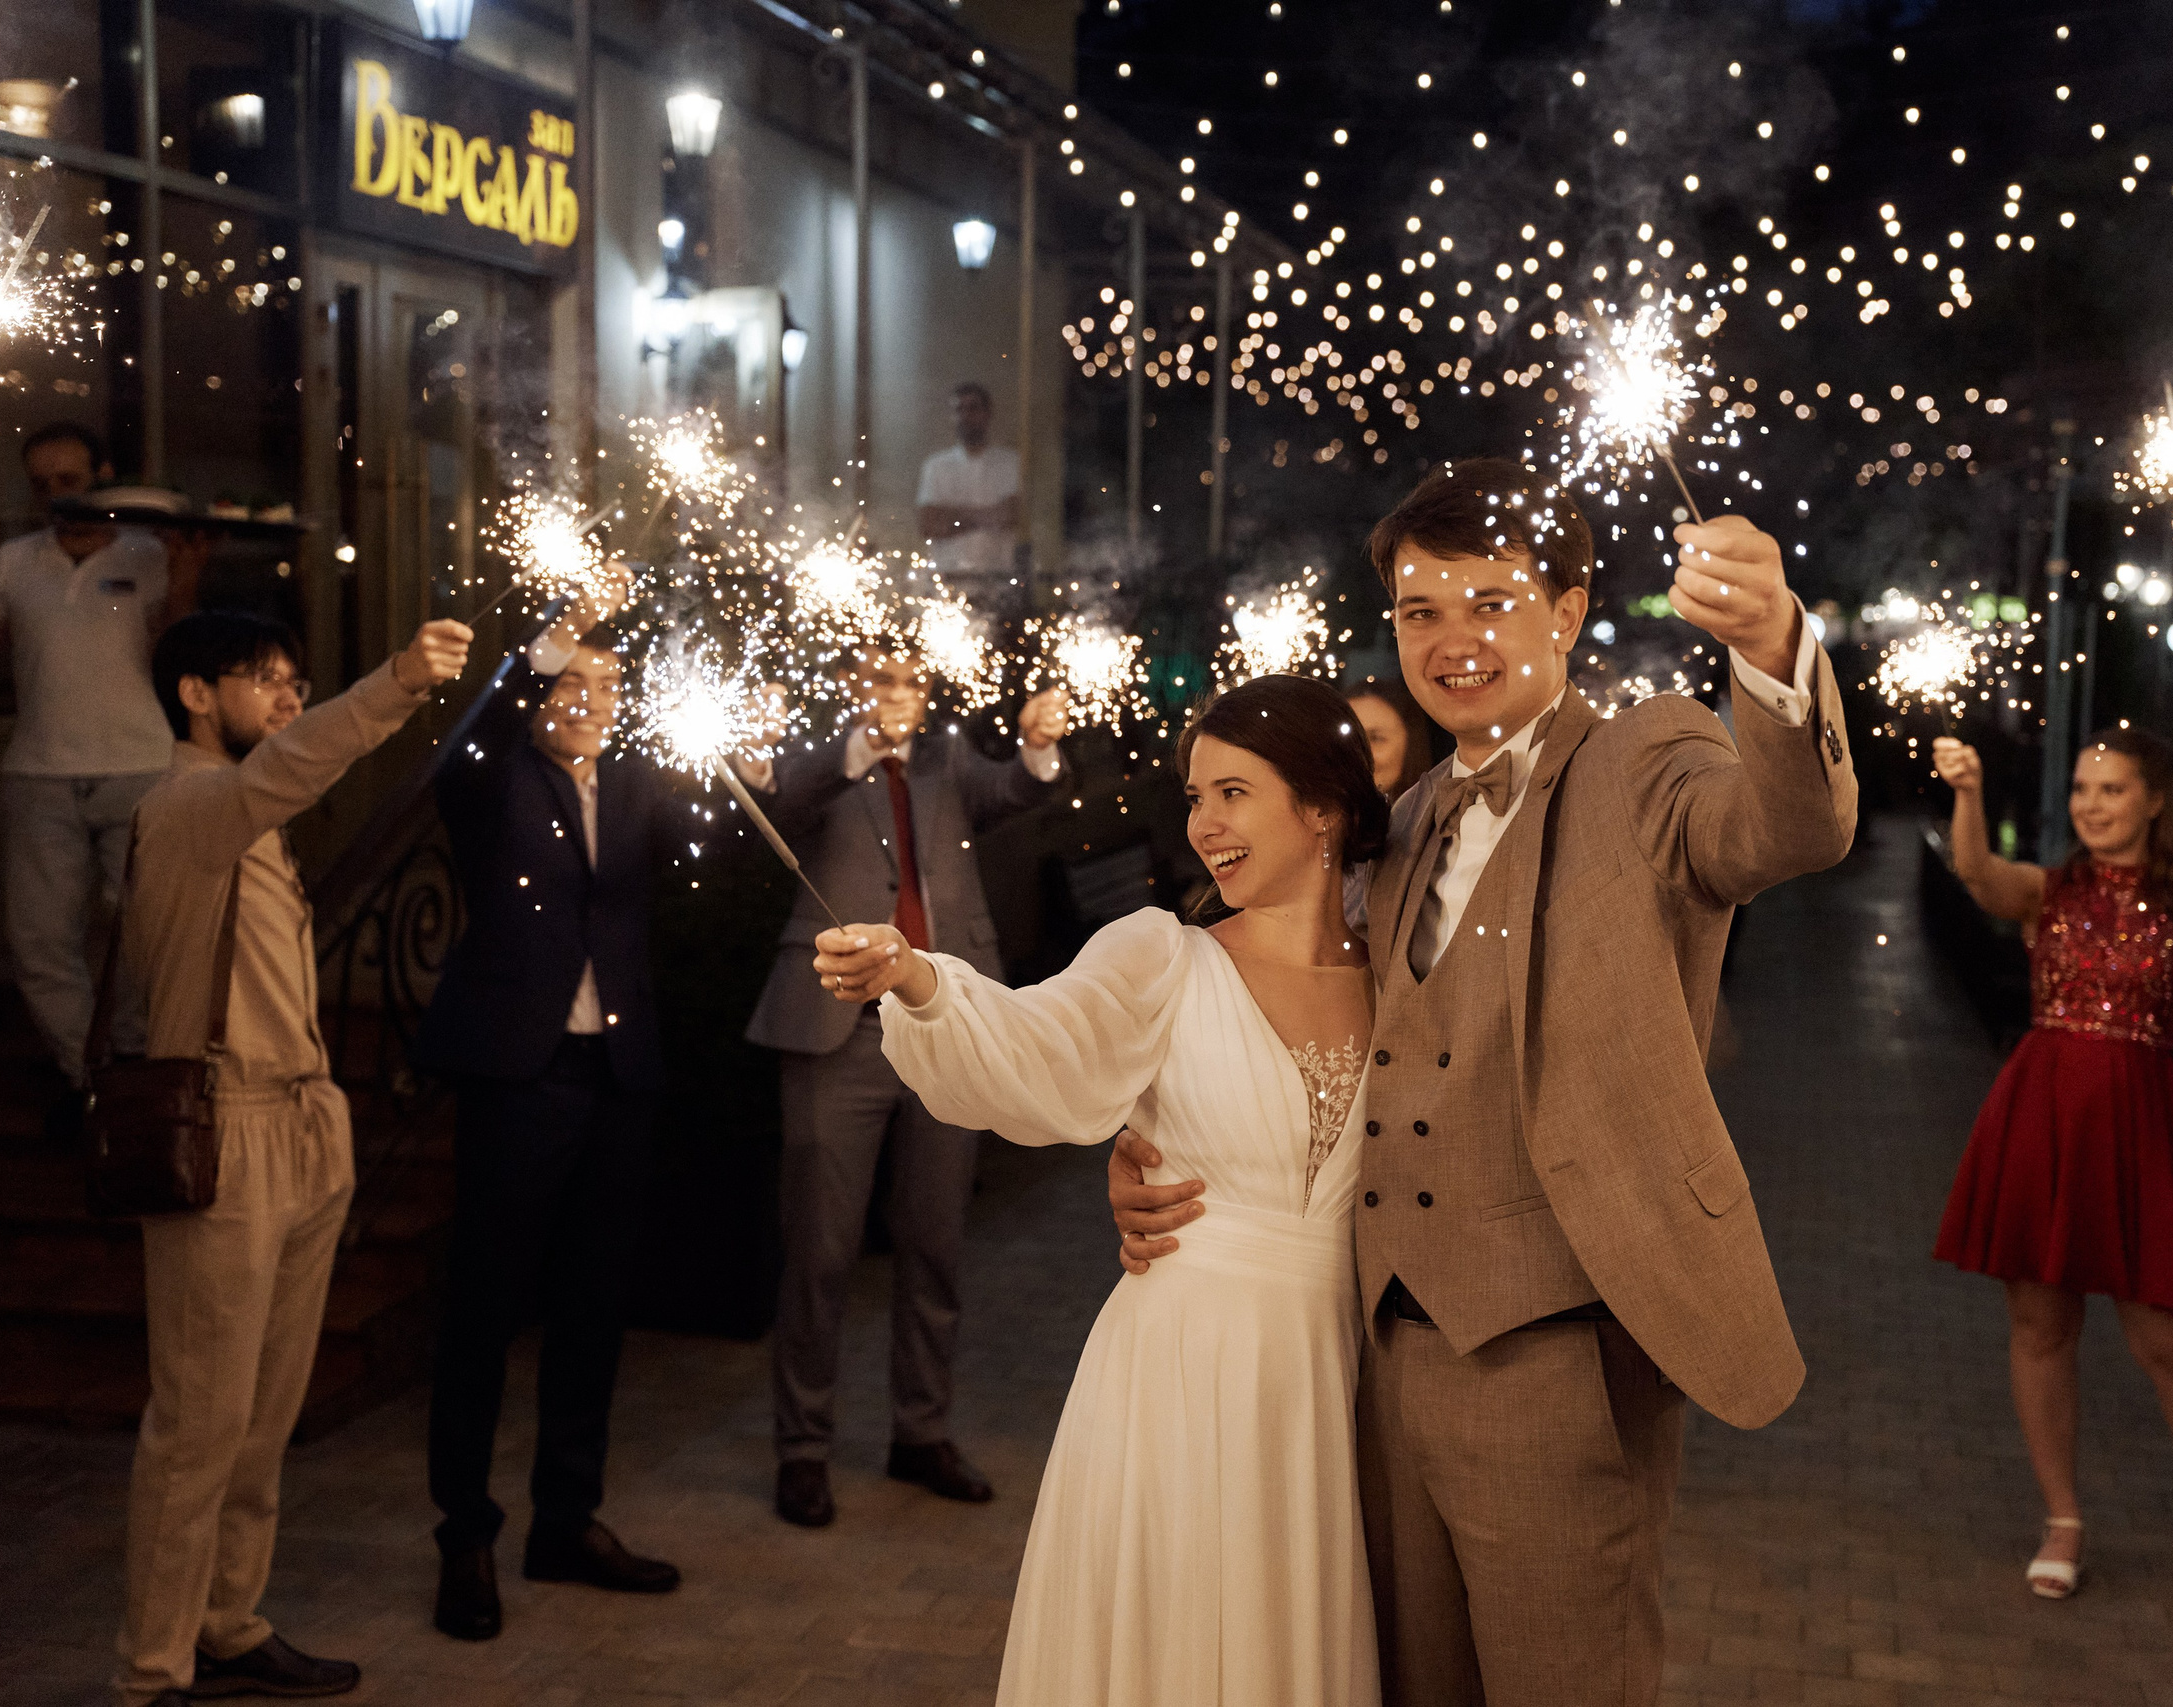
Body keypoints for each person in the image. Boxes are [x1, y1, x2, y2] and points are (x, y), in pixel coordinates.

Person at [1114, 458, 1857, 1706]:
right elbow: (1298, 1023)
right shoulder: (1400, 824)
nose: (1452, 640)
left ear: (1566, 612)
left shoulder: (1645, 760)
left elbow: (1788, 829)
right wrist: (1149, 1150)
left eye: (1491, 602)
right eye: (1421, 611)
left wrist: (1774, 645)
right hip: (1373, 1355)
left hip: (1558, 1357)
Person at [815, 672, 1389, 1704]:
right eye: (1196, 796)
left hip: (1335, 1378)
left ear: (1323, 807)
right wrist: (919, 977)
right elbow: (1036, 1042)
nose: (1203, 824)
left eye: (1234, 792)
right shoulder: (1163, 956)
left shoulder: (1405, 980)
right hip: (1179, 1367)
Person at [113, 609, 472, 1706]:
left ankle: (227, 1624)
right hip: (225, 1127)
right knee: (201, 1422)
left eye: (296, 683)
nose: (285, 699)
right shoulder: (188, 803)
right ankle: (152, 1671)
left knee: (263, 1419)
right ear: (194, 695)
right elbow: (299, 763)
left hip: (302, 1123)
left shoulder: (247, 815)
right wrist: (398, 679)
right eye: (262, 680)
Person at [415, 565, 735, 1640]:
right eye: (571, 683)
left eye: (609, 684)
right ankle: (465, 1535)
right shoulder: (496, 775)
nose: (592, 701)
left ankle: (565, 1519)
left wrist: (754, 765)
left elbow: (718, 844)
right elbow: (467, 744)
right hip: (520, 1072)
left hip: (618, 1070)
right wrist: (556, 636)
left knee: (595, 1304)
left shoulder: (636, 785)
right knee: (485, 1305)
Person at [1929, 728, 2173, 1625]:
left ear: (2155, 800)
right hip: (2042, 1118)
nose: (2091, 804)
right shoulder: (2050, 891)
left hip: (2141, 1130)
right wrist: (1967, 791)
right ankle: (2064, 1519)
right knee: (2041, 1324)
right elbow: (1976, 874)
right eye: (2083, 788)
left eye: (2112, 788)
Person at [741, 651, 1070, 1527]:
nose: (899, 697)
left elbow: (1017, 790)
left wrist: (1039, 745)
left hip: (940, 1022)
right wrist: (857, 746)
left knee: (936, 1240)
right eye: (881, 680)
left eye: (913, 683)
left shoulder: (949, 759)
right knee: (820, 1249)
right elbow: (779, 803)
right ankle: (802, 1447)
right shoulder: (818, 759)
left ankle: (921, 1431)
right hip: (836, 1028)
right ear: (853, 684)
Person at [0, 423, 199, 1092]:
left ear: (103, 476)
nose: (57, 496)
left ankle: (133, 1058)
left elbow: (177, 652)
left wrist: (186, 576)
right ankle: (86, 1072)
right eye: (42, 485)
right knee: (39, 940)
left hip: (140, 768)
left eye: (70, 480)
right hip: (39, 775)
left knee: (142, 932)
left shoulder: (149, 553)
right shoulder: (13, 561)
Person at [916, 381, 1023, 588]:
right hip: (948, 579)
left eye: (973, 408)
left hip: (997, 580)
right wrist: (988, 515)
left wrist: (952, 516)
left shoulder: (1010, 463)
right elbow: (928, 524)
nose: (965, 416)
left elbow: (1010, 516)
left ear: (987, 413)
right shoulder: (936, 466)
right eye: (959, 409)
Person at [1344, 674, 1434, 801]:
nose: (1357, 752)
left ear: (1411, 746)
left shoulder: (1441, 810)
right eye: (1349, 739)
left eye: (1376, 738)